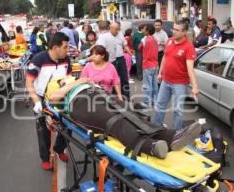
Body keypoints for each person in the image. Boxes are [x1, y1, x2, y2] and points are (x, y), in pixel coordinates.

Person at [44, 77, 202, 159]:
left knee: (134, 115)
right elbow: (52, 98)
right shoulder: (56, 84)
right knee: (115, 121)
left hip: (97, 93)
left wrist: (87, 83)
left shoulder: (75, 79)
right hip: (79, 103)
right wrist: (75, 83)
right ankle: (150, 146)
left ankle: (173, 136)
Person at [26, 32, 71, 170]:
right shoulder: (38, 59)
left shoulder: (66, 60)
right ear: (55, 47)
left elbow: (68, 79)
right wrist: (36, 102)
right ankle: (45, 158)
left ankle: (59, 148)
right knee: (43, 130)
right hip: (42, 98)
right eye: (65, 47)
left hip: (60, 98)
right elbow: (29, 83)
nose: (67, 50)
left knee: (68, 126)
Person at [154, 20, 199, 130]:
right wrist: (160, 73)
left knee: (178, 110)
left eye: (177, 30)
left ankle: (176, 134)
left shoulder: (189, 47)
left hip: (179, 84)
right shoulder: (169, 41)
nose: (173, 32)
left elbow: (190, 68)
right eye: (173, 28)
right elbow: (165, 57)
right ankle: (155, 128)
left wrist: (194, 86)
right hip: (165, 81)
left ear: (184, 32)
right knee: (160, 105)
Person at [96, 22, 132, 100]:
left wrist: (131, 55)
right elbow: (100, 50)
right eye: (115, 29)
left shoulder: (120, 34)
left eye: (118, 29)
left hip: (121, 58)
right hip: (110, 61)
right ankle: (114, 98)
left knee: (124, 78)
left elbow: (125, 45)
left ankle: (126, 97)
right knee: (112, 80)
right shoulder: (103, 37)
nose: (117, 31)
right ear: (110, 28)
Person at [138, 24, 159, 108]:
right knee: (155, 84)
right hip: (155, 64)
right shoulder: (155, 39)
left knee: (148, 85)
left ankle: (147, 102)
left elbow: (139, 48)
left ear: (147, 31)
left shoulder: (144, 39)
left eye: (144, 29)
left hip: (147, 64)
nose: (143, 31)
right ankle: (156, 101)